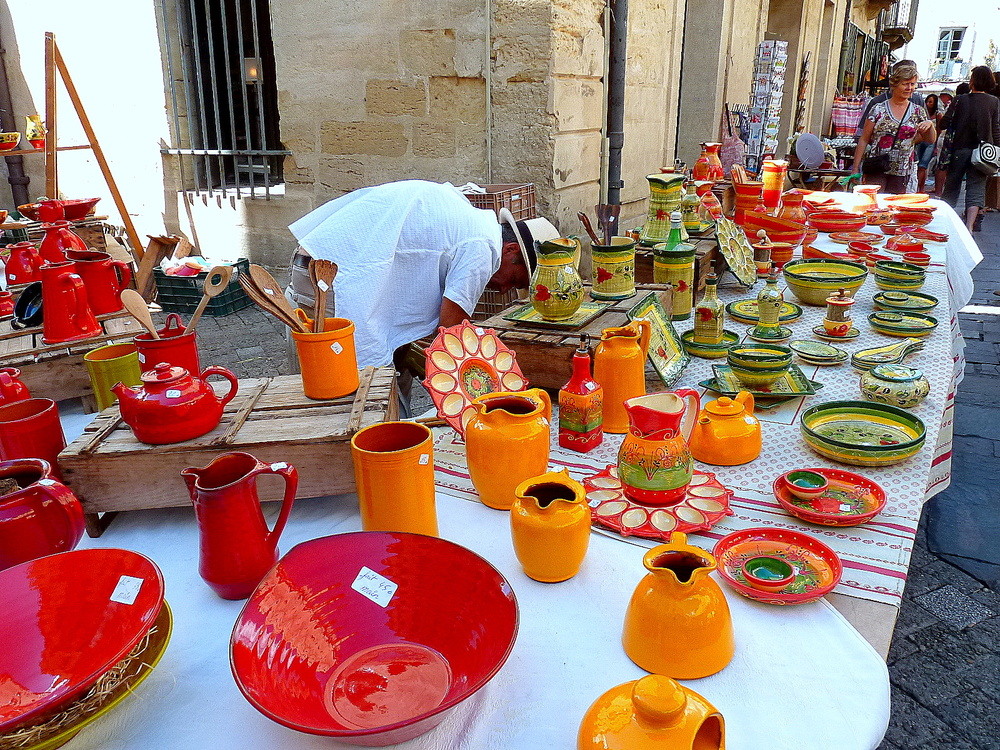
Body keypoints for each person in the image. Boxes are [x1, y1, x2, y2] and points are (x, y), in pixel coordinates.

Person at [852, 63, 936, 194]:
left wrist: (929, 125)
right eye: (905, 84)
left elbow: (930, 140)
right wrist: (855, 168)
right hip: (877, 166)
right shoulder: (878, 109)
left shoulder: (918, 111)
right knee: (873, 204)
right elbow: (864, 139)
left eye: (912, 84)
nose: (910, 88)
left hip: (902, 170)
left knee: (894, 207)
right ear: (894, 85)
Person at [940, 66, 1000, 231]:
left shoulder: (960, 100)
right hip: (983, 152)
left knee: (952, 187)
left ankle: (946, 223)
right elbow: (996, 129)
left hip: (959, 148)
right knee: (976, 189)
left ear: (972, 80)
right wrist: (997, 150)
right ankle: (969, 227)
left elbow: (944, 123)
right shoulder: (994, 102)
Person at [854, 59, 926, 139]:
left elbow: (926, 136)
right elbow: (863, 135)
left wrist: (907, 144)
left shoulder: (918, 104)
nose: (909, 88)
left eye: (912, 83)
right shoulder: (877, 103)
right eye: (905, 82)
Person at [915, 93, 940, 190]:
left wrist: (936, 146)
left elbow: (938, 130)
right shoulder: (921, 112)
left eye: (931, 102)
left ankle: (921, 189)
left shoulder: (938, 114)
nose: (928, 104)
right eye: (927, 101)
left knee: (923, 165)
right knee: (918, 164)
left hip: (930, 143)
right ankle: (919, 188)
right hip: (920, 141)